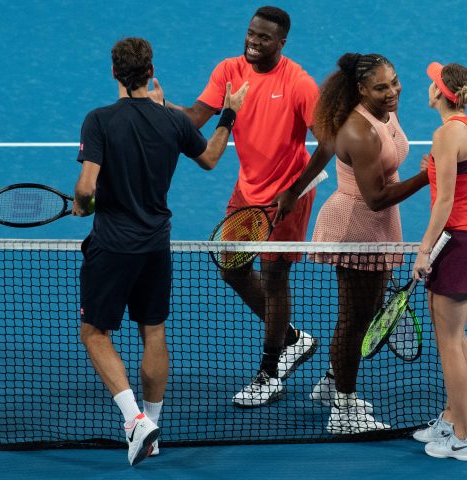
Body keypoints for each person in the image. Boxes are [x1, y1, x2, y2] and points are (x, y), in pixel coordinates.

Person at [72, 37, 247, 466]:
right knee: (153, 332)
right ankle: (154, 425)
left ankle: (134, 421)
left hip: (112, 246)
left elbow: (86, 188)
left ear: (114, 73)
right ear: (152, 72)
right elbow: (209, 158)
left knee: (94, 333)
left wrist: (83, 205)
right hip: (156, 245)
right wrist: (230, 112)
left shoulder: (99, 120)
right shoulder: (172, 120)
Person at [154, 6, 333, 407]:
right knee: (231, 267)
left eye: (263, 37)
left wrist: (295, 190)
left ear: (281, 42)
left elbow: (329, 143)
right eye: (251, 33)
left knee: (273, 277)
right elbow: (197, 119)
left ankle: (269, 372)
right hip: (248, 190)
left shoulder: (299, 84)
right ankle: (291, 339)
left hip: (289, 195)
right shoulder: (229, 70)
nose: (253, 41)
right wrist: (161, 105)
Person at [275, 53, 429, 434]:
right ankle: (343, 411)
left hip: (377, 224)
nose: (392, 91)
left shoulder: (380, 109)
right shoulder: (359, 130)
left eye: (394, 81)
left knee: (366, 309)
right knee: (354, 320)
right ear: (362, 89)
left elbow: (325, 146)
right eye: (381, 87)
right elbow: (376, 196)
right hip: (357, 225)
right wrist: (428, 176)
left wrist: (294, 191)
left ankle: (331, 384)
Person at [411, 62, 467, 461]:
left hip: (455, 242)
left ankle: (463, 437)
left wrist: (425, 248)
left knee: (449, 342)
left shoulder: (446, 134)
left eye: (432, 82)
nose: (427, 85)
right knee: (458, 337)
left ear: (439, 93)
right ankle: (450, 418)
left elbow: (445, 199)